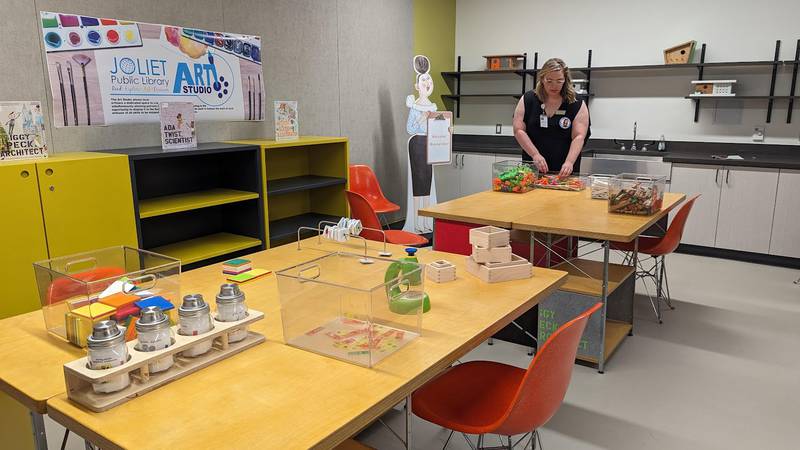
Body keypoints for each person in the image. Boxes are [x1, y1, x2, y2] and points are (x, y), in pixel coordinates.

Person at [513, 58, 590, 177]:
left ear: (565, 80)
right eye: (549, 81)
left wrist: (569, 162)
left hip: (565, 169)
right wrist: (535, 155)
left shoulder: (576, 103)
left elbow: (579, 136)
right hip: (534, 165)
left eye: (559, 81)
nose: (554, 85)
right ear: (542, 79)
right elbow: (519, 130)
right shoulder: (528, 99)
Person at [404, 55, 438, 233]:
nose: (427, 83)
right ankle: (416, 222)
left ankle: (426, 222)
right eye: (424, 80)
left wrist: (446, 130)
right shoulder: (414, 106)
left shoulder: (433, 106)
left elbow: (437, 126)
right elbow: (410, 128)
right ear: (417, 86)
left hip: (429, 145)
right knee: (418, 183)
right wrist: (421, 119)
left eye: (429, 80)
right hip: (417, 144)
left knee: (427, 183)